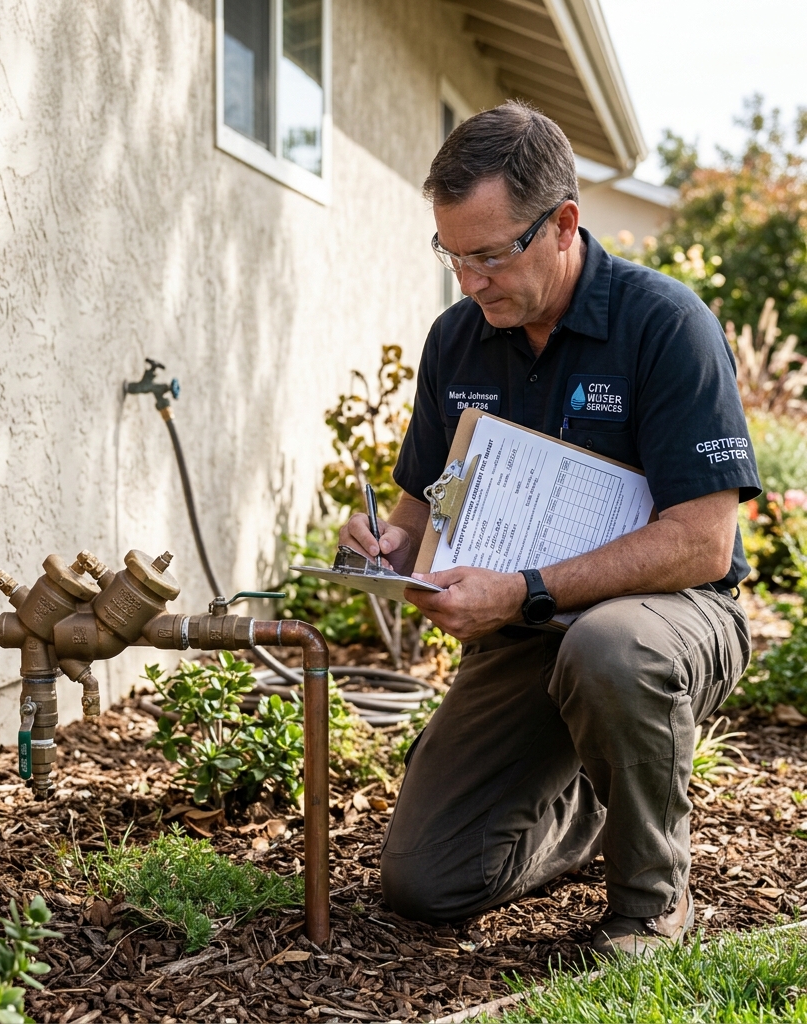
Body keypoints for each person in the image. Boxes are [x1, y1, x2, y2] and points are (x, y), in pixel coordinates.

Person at [339, 101, 760, 956]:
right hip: (524, 631)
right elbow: (425, 505)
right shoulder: (457, 341)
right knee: (426, 883)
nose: (470, 281)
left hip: (667, 620)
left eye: (492, 254)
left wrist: (525, 588)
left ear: (564, 224)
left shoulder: (664, 326)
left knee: (607, 651)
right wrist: (392, 548)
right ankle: (594, 801)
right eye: (453, 255)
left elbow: (702, 542)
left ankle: (653, 905)